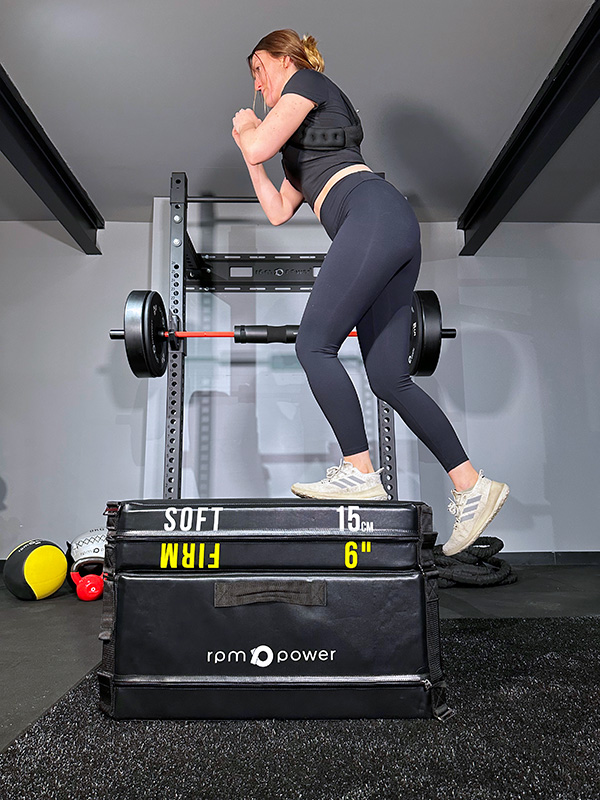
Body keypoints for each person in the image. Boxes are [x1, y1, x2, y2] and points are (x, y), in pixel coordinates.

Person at [232, 29, 509, 555]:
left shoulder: (310, 82)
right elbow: (275, 210)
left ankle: (358, 470)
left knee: (312, 344)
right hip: (387, 225)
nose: (257, 83)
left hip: (371, 214)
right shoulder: (297, 150)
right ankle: (472, 486)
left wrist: (248, 132)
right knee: (388, 376)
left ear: (284, 59)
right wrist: (250, 153)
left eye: (259, 68)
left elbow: (259, 140)